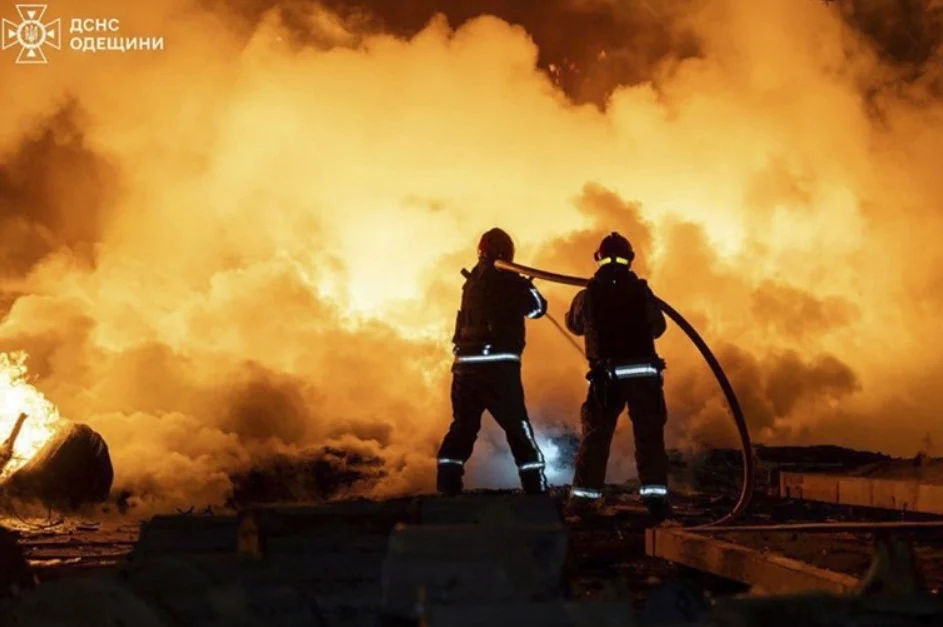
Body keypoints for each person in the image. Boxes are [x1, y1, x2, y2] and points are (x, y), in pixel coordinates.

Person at [564, 232, 670, 521]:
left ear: (598, 257)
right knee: (649, 438)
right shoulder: (642, 292)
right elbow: (659, 327)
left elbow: (573, 325)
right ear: (630, 258)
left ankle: (585, 501)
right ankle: (656, 501)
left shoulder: (588, 295)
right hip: (643, 377)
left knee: (596, 438)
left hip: (607, 378)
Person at [436, 228, 550, 496]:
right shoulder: (509, 281)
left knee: (462, 427)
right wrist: (527, 283)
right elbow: (537, 309)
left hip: (465, 369)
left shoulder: (472, 281)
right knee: (518, 429)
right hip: (498, 371)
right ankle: (536, 491)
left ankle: (447, 487)